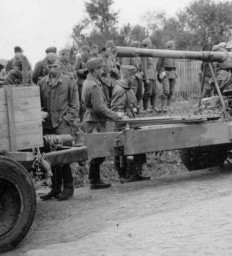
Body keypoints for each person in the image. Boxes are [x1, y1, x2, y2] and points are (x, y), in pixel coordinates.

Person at [38, 54, 79, 201]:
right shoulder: (43, 82)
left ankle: (68, 187)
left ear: (60, 65)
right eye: (49, 67)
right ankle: (55, 188)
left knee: (63, 157)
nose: (52, 69)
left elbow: (75, 106)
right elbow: (40, 104)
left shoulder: (69, 81)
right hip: (48, 126)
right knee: (50, 158)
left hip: (62, 125)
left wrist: (66, 121)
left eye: (55, 66)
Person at [82, 58, 125, 189]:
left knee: (97, 150)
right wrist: (116, 115)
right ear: (94, 70)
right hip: (95, 121)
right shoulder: (94, 85)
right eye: (100, 68)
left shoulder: (88, 82)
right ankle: (94, 180)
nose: (102, 70)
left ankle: (94, 179)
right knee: (99, 151)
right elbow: (99, 108)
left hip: (92, 119)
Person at [111, 65, 150, 182]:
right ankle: (126, 175)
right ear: (127, 76)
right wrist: (126, 119)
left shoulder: (128, 88)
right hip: (125, 125)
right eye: (133, 76)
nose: (135, 78)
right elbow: (117, 110)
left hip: (132, 123)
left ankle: (135, 174)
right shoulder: (120, 89)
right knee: (124, 150)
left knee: (136, 147)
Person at [121, 40, 144, 106]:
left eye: (137, 46)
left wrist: (141, 72)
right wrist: (134, 74)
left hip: (139, 78)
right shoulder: (127, 56)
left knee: (139, 93)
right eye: (134, 46)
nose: (136, 48)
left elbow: (140, 67)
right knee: (131, 94)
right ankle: (131, 108)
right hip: (131, 78)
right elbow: (125, 68)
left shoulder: (138, 57)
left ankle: (137, 107)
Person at [157, 40, 177, 111]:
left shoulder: (174, 54)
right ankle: (162, 106)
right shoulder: (163, 53)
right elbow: (158, 65)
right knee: (166, 90)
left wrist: (175, 73)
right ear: (170, 46)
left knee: (171, 91)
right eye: (174, 45)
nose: (175, 47)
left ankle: (169, 105)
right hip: (165, 72)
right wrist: (159, 74)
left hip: (172, 73)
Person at [141, 37, 157, 112]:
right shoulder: (144, 53)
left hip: (153, 75)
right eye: (150, 43)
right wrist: (146, 78)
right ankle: (145, 108)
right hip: (148, 76)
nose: (151, 44)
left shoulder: (150, 52)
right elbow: (144, 66)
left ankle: (153, 107)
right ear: (147, 44)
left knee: (154, 92)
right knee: (148, 92)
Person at [75, 46, 91, 120]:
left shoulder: (90, 60)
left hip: (89, 82)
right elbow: (76, 70)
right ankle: (82, 117)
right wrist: (84, 71)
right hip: (81, 82)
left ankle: (88, 117)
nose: (85, 53)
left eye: (86, 52)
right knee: (82, 100)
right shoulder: (79, 60)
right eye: (83, 52)